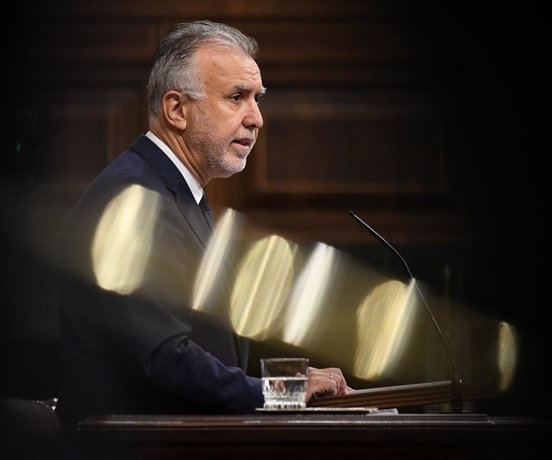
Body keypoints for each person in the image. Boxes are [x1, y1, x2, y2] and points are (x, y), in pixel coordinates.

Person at [55, 19, 348, 458]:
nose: (257, 118)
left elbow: (207, 346)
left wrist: (293, 380)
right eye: (237, 97)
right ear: (176, 110)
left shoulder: (173, 194)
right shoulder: (135, 200)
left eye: (256, 99)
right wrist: (284, 390)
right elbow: (164, 359)